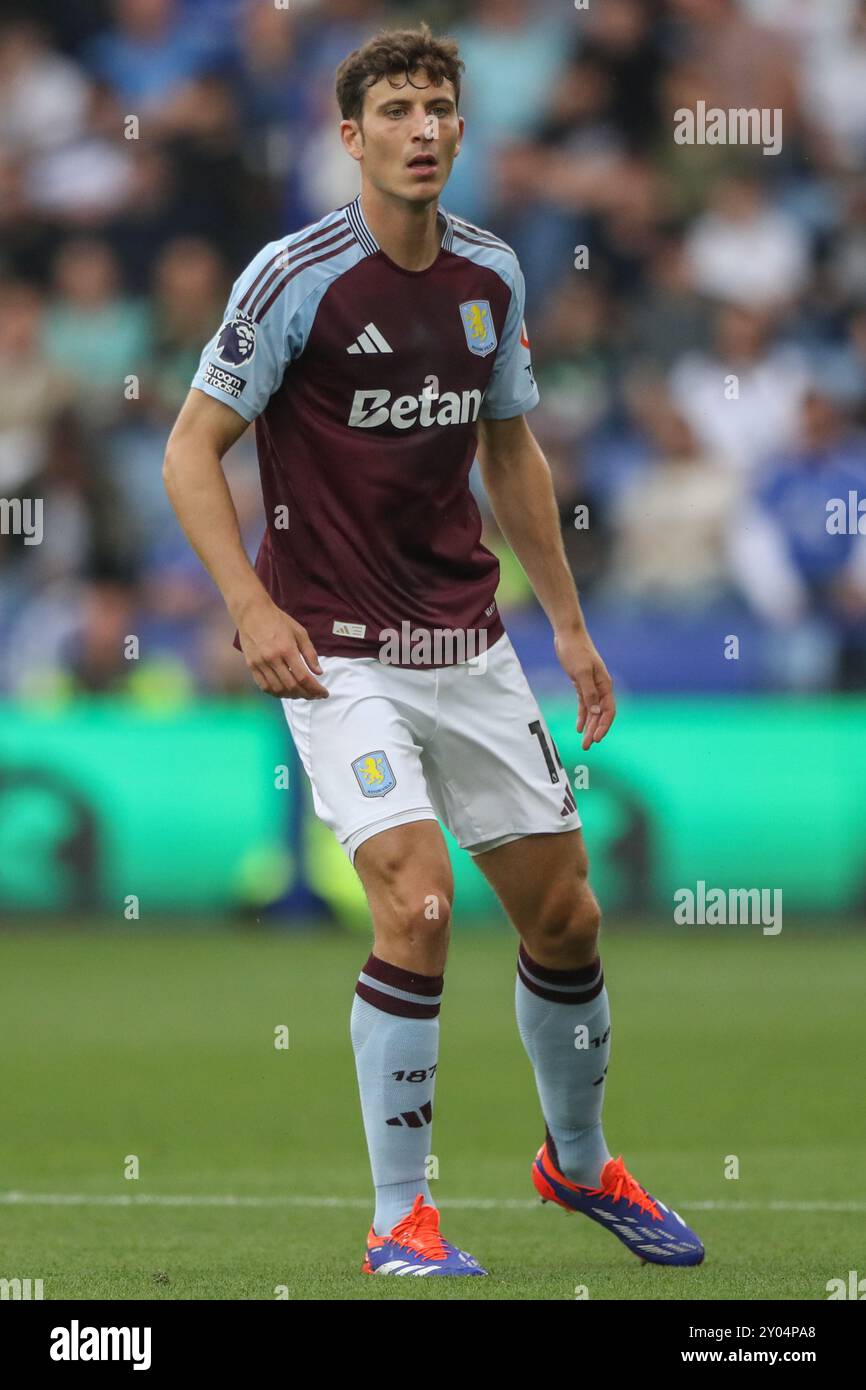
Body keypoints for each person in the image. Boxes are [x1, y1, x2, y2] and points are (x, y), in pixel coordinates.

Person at [163, 23, 704, 1277]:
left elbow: (509, 450)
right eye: (396, 110)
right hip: (337, 650)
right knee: (414, 901)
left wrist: (567, 626)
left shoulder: (491, 274)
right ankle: (399, 1213)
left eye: (438, 109)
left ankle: (576, 1166)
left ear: (462, 127)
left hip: (467, 640)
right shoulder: (295, 275)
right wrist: (249, 606)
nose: (422, 130)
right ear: (349, 137)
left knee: (566, 916)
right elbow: (190, 447)